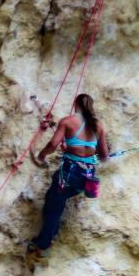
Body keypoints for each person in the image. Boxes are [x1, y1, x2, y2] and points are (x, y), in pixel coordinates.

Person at [27, 93, 111, 260]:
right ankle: (51, 232)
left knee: (53, 207)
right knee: (58, 200)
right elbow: (104, 156)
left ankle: (42, 245)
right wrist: (76, 150)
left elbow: (52, 144)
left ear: (75, 103)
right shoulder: (99, 126)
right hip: (86, 177)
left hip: (68, 175)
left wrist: (41, 155)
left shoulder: (68, 121)